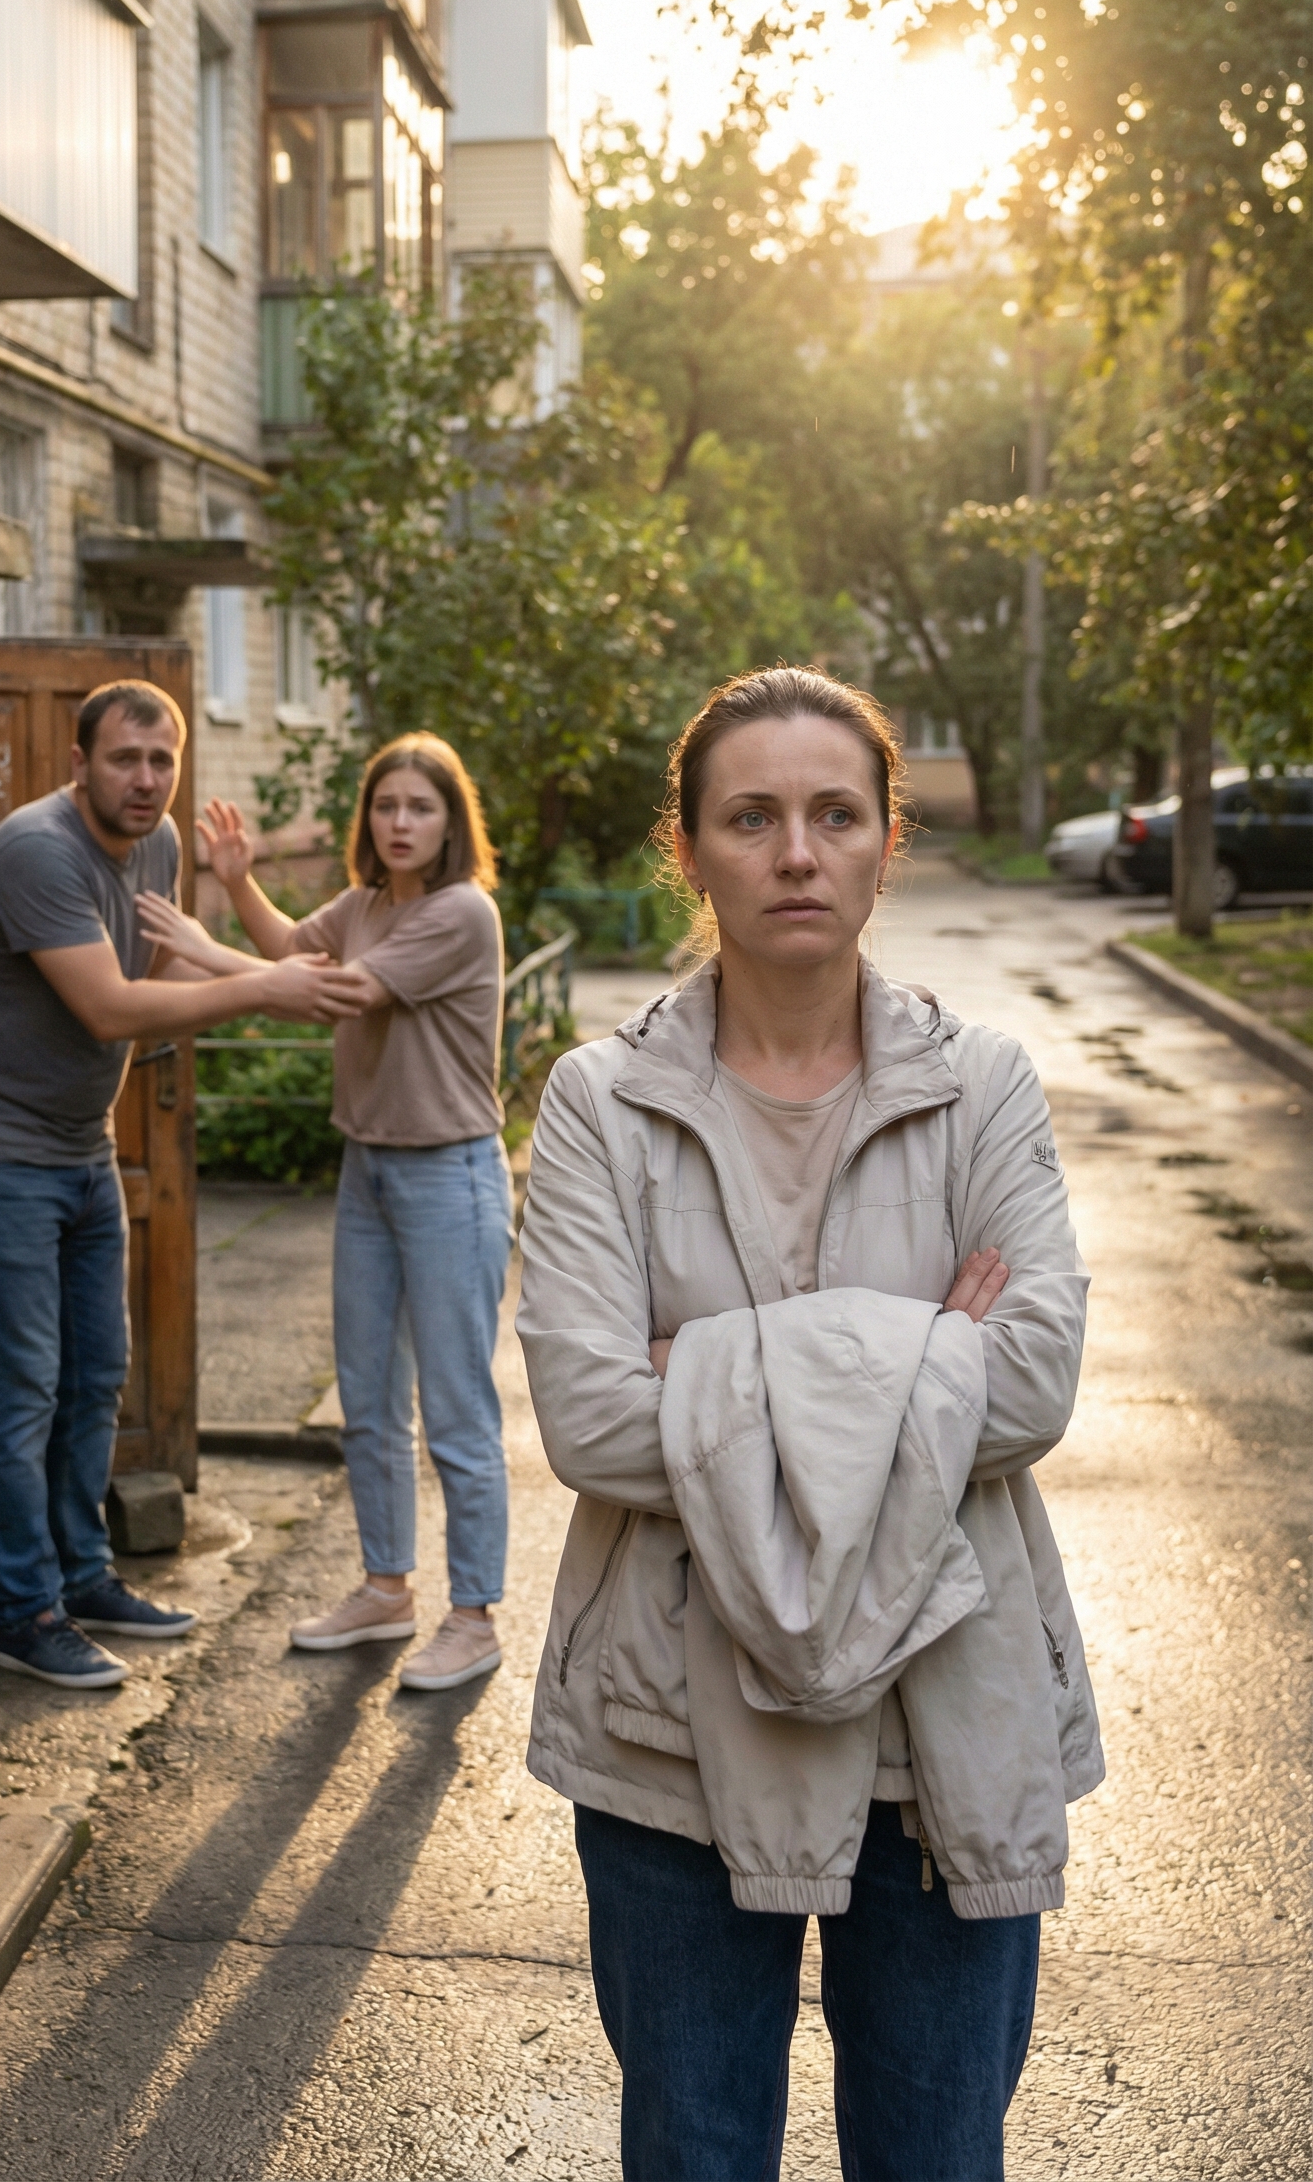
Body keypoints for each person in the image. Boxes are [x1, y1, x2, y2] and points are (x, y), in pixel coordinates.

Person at [516, 666, 1104, 2182]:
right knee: (696, 2156)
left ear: (884, 840)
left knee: (935, 2157)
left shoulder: (982, 1088)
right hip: (674, 1741)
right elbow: (592, 1420)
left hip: (943, 1732)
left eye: (835, 813)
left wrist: (706, 1369)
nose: (796, 851)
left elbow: (1032, 1383)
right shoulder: (601, 1104)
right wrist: (926, 1361)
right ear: (694, 848)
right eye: (753, 817)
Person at [0, 680, 366, 1692]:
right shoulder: (36, 849)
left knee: (95, 1379)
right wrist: (262, 989)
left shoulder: (157, 845)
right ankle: (23, 1614)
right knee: (19, 1387)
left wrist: (246, 960)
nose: (146, 779)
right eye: (124, 759)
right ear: (79, 762)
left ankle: (82, 1576)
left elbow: (166, 988)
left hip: (81, 1148)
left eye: (161, 760)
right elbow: (111, 1008)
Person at [137, 732, 512, 1693]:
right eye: (386, 807)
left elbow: (339, 995)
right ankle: (386, 1589)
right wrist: (238, 882)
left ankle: (474, 1617)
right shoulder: (366, 903)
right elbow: (293, 953)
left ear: (449, 822)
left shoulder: (459, 913)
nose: (399, 823)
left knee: (457, 1413)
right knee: (368, 1403)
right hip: (370, 1173)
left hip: (446, 1178)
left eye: (419, 808)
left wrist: (197, 947)